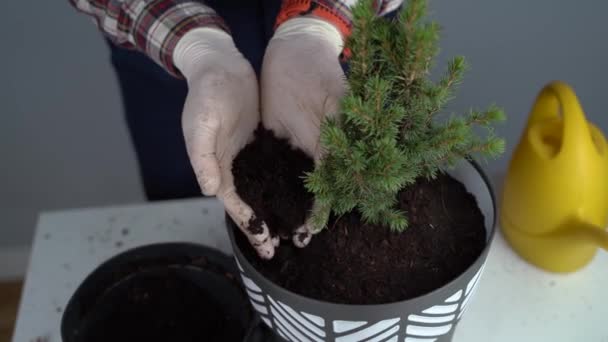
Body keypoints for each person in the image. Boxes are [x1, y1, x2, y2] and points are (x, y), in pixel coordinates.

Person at [68, 0, 402, 259]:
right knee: (190, 214)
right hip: (166, 30)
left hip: (341, 26)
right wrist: (196, 47)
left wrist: (318, 29)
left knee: (359, 203)